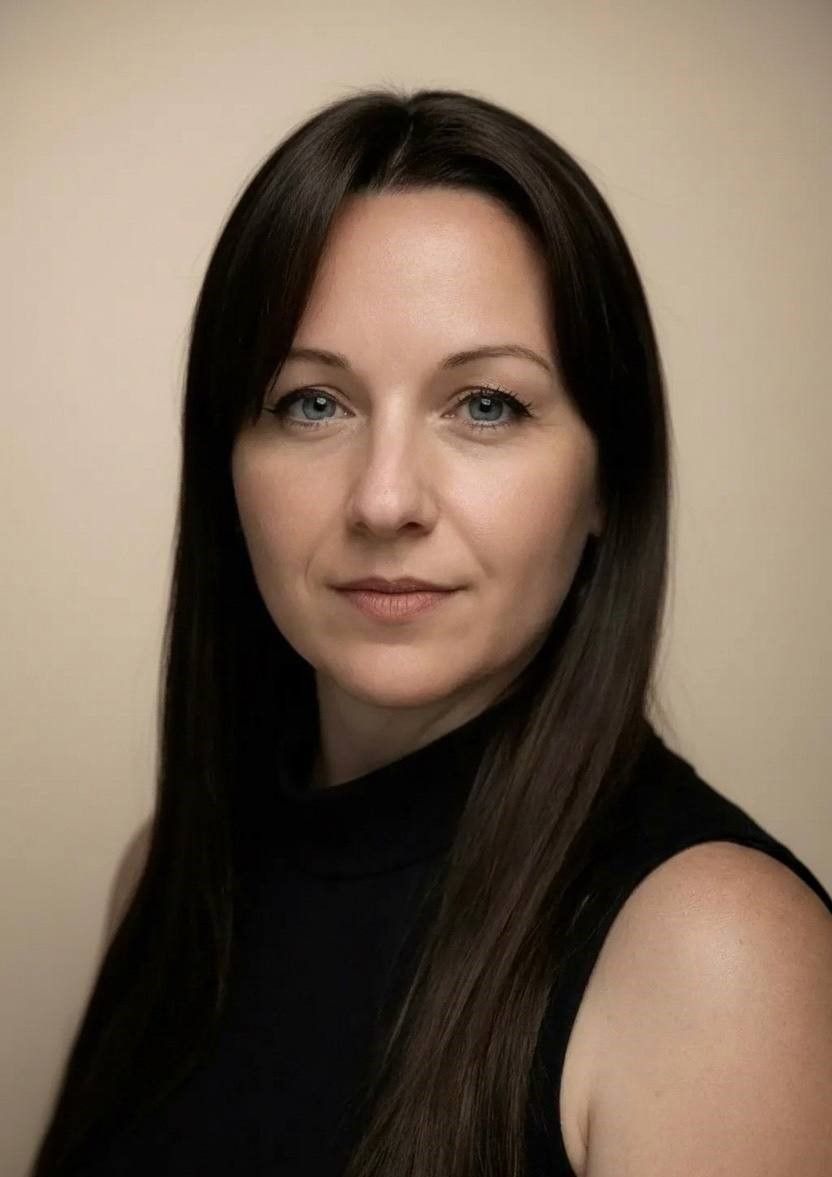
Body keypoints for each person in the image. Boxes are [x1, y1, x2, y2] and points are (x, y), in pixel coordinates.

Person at [32, 86, 832, 1177]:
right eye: (313, 403)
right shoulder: (170, 875)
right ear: (227, 464)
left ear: (608, 479)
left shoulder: (716, 954)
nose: (384, 499)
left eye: (486, 405)